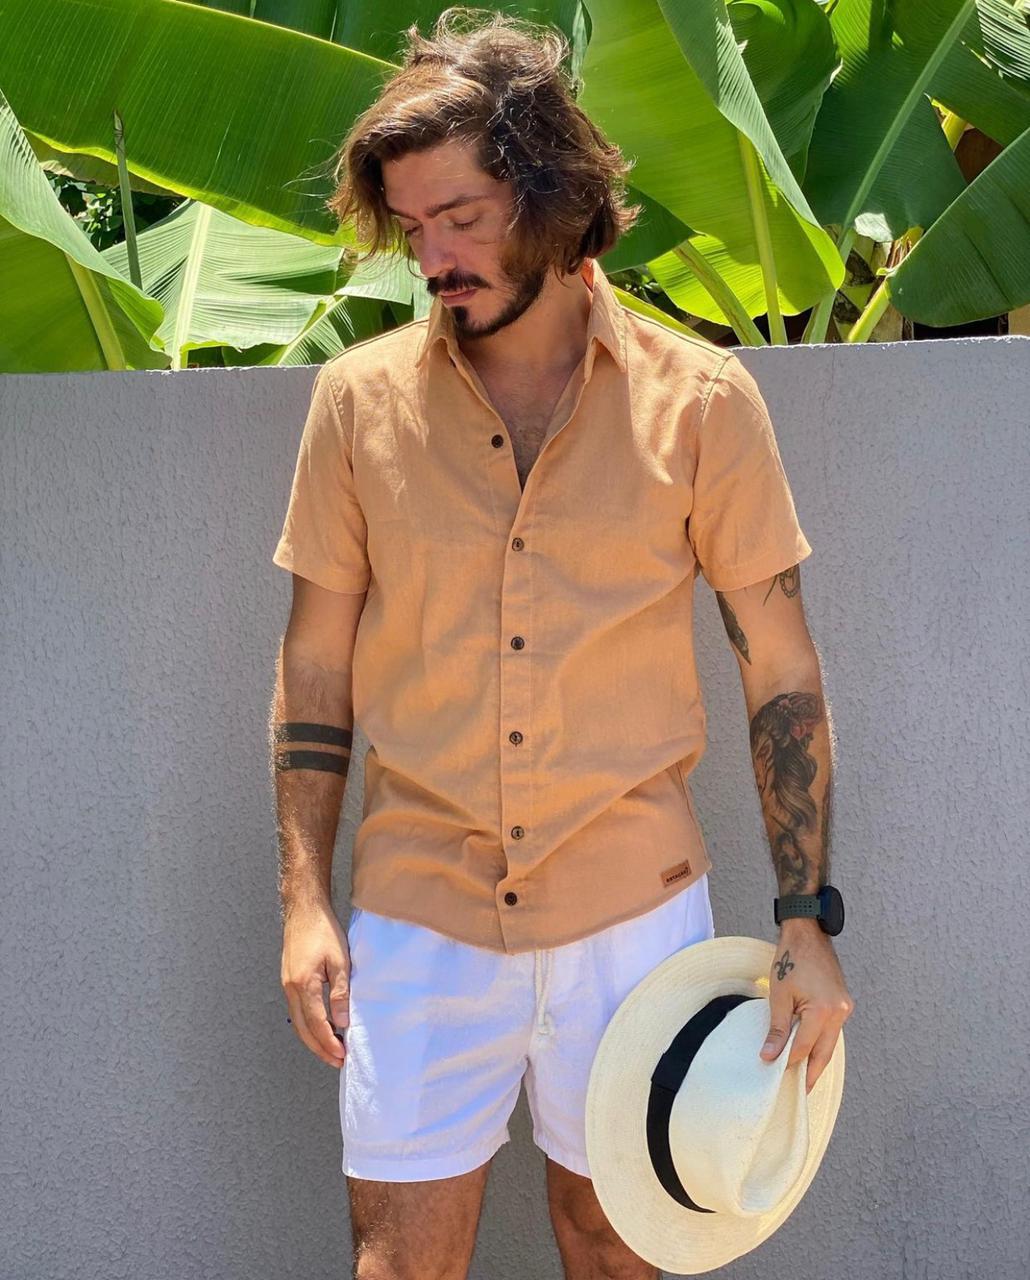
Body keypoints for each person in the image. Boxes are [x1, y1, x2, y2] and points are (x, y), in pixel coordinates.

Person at [270, 9, 854, 1279]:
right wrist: (305, 902)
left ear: (549, 198)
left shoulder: (701, 405)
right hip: (420, 910)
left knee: (619, 1244)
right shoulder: (355, 406)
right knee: (398, 1257)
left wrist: (804, 919)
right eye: (413, 228)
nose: (434, 257)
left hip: (634, 918)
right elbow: (313, 661)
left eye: (462, 217)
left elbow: (779, 667)